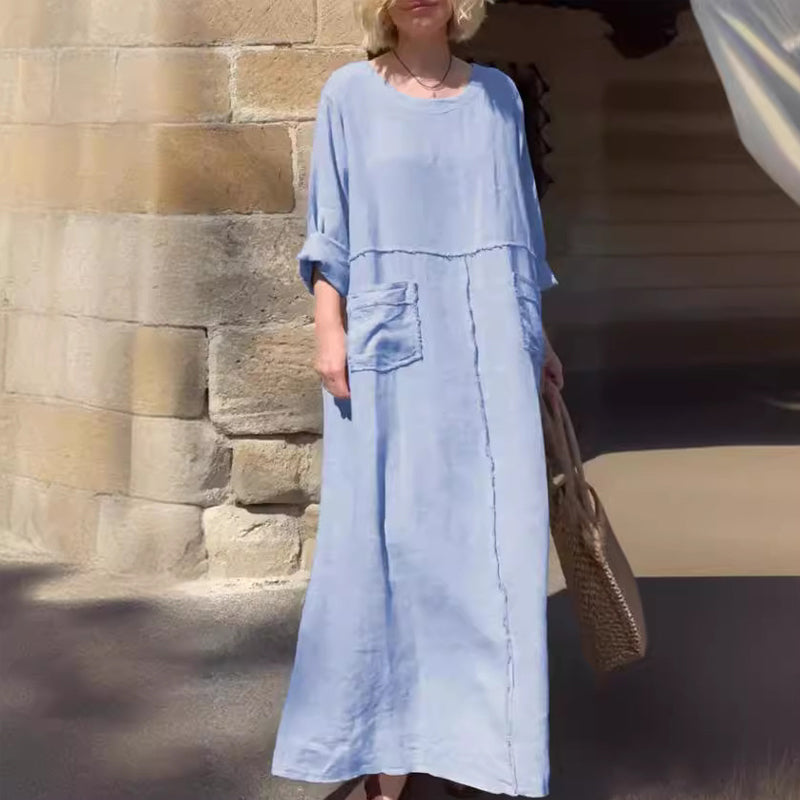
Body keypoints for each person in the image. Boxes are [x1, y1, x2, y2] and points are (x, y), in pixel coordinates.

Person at [271, 1, 564, 798]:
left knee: (494, 550)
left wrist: (539, 339)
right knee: (383, 550)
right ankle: (384, 755)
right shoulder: (349, 94)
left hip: (494, 348)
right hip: (388, 349)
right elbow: (330, 229)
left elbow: (523, 232)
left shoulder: (499, 96)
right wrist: (327, 328)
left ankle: (489, 755)